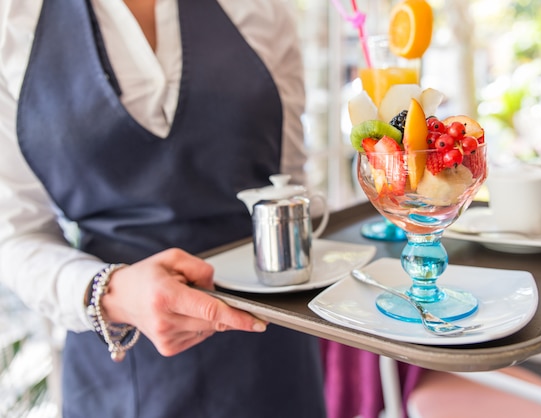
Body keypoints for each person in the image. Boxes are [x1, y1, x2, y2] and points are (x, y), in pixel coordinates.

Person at [0, 0, 326, 417]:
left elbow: (289, 185)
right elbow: (16, 234)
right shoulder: (14, 20)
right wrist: (111, 292)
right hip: (120, 372)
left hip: (266, 358)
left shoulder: (262, 10)